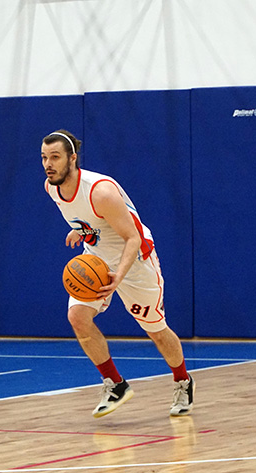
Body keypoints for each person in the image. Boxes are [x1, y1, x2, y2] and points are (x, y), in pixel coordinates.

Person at [41, 130, 194, 417]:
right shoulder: (51, 187)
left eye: (55, 157)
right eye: (44, 157)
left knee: (156, 331)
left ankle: (183, 380)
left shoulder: (101, 191)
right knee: (77, 317)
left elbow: (132, 237)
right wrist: (81, 230)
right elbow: (90, 218)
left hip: (135, 261)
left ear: (72, 158)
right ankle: (115, 383)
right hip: (97, 258)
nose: (48, 164)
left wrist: (118, 277)